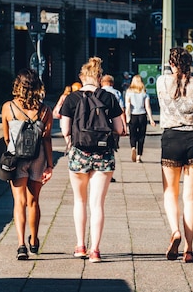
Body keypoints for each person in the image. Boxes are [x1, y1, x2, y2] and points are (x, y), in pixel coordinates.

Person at [59, 57, 125, 263]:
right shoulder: (109, 98)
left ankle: (80, 246)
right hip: (103, 155)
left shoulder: (71, 99)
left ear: (82, 76)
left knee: (80, 201)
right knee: (97, 204)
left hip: (79, 154)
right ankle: (95, 250)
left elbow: (66, 130)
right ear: (99, 77)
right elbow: (120, 129)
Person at [156, 47, 193, 263]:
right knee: (189, 197)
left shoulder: (162, 81)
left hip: (170, 139)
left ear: (171, 63)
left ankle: (175, 231)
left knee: (170, 192)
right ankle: (189, 249)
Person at [1, 68, 54, 260]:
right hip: (38, 158)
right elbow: (47, 139)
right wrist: (50, 165)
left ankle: (21, 245)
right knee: (33, 201)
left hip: (16, 159)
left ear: (18, 86)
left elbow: (6, 137)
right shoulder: (45, 110)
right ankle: (34, 241)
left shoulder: (8, 107)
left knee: (19, 202)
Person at [125, 74, 156, 163]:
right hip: (142, 116)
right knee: (141, 136)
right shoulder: (144, 92)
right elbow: (148, 106)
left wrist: (127, 117)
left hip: (133, 115)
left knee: (133, 134)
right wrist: (151, 119)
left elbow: (128, 106)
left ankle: (133, 147)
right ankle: (139, 156)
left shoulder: (129, 92)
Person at [101, 74, 127, 150]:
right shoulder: (117, 93)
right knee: (113, 142)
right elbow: (122, 110)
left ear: (102, 83)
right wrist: (124, 126)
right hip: (114, 121)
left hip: (102, 122)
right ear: (112, 83)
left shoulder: (98, 92)